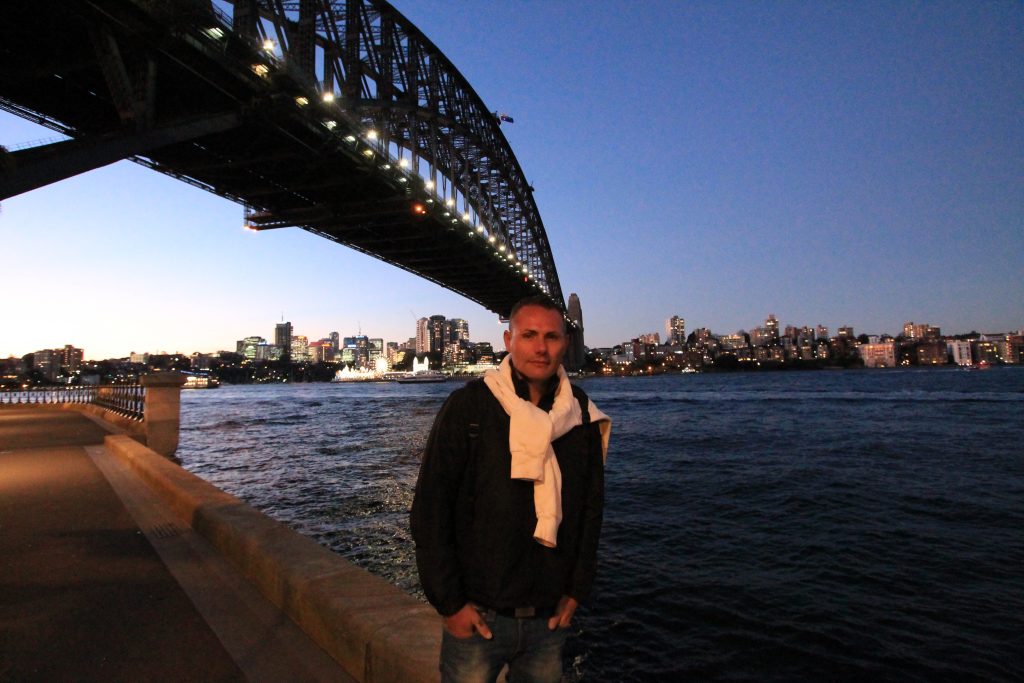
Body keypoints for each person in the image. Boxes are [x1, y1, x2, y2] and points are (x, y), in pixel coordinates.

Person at [410, 295, 611, 683]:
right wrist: (450, 604)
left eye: (551, 336)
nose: (540, 347)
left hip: (549, 617)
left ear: (565, 343)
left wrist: (577, 589)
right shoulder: (469, 408)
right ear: (508, 340)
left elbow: (590, 509)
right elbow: (430, 510)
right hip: (478, 615)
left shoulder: (582, 414)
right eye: (529, 335)